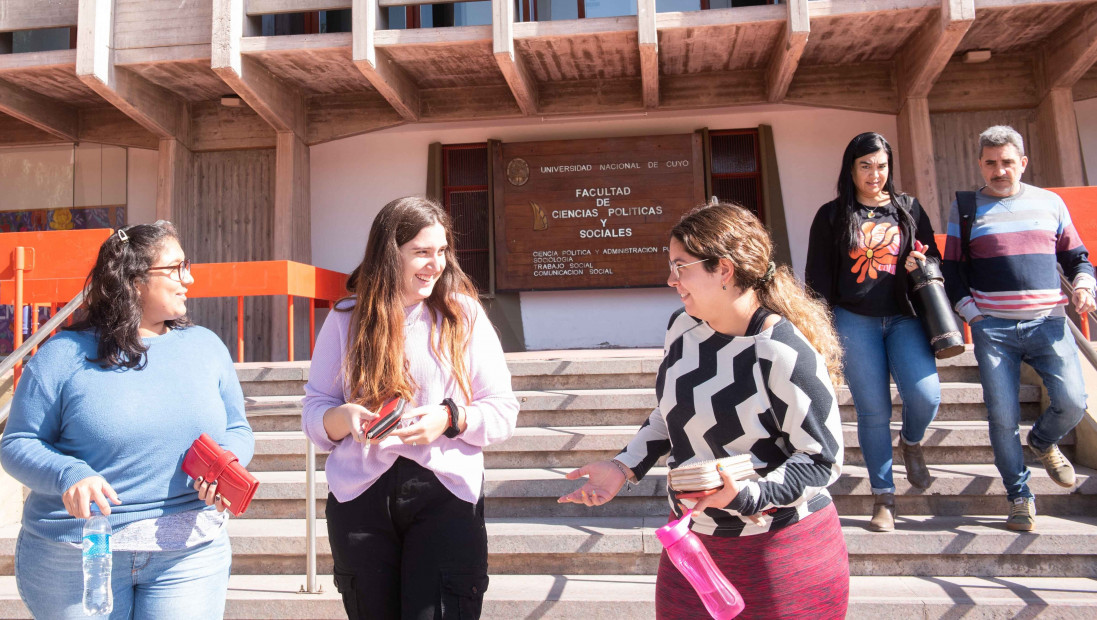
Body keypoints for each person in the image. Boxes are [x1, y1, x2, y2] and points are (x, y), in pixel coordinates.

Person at [559, 202, 848, 620]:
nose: (671, 279)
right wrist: (623, 467)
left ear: (724, 270)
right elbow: (670, 414)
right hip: (692, 548)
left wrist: (749, 496)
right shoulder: (681, 327)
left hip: (783, 555)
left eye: (681, 266)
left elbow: (822, 459)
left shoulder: (783, 351)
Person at [0, 221, 252, 619]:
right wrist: (69, 473)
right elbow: (17, 443)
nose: (189, 278)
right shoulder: (61, 355)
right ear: (134, 280)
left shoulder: (207, 347)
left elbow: (237, 427)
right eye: (176, 267)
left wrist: (228, 463)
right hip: (79, 556)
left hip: (188, 554)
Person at [302, 196, 518, 620]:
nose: (435, 264)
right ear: (389, 253)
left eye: (441, 251)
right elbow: (315, 411)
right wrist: (343, 419)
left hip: (446, 495)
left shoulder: (465, 315)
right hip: (359, 498)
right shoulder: (346, 318)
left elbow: (502, 410)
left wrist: (449, 418)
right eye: (421, 252)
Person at [942, 125, 1094, 531]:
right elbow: (952, 270)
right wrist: (972, 313)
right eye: (990, 163)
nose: (999, 171)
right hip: (994, 330)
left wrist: (1083, 285)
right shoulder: (967, 208)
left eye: (1007, 162)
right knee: (1002, 418)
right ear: (980, 164)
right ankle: (1019, 495)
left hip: (1050, 323)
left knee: (1073, 401)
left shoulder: (1051, 203)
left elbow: (1078, 258)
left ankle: (1043, 441)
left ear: (1022, 163)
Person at [804, 132, 942, 532]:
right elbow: (817, 278)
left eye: (881, 166)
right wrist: (820, 331)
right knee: (873, 411)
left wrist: (922, 259)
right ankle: (884, 496)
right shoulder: (831, 215)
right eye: (865, 166)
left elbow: (931, 256)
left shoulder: (909, 209)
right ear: (851, 169)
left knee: (925, 395)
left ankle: (912, 442)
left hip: (906, 317)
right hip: (854, 319)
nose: (874, 174)